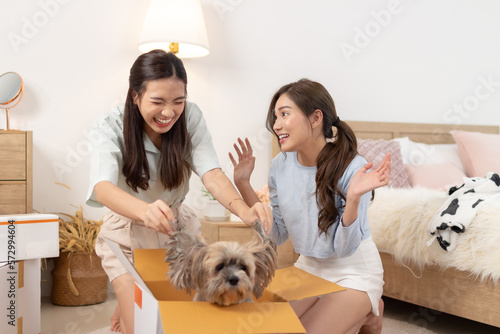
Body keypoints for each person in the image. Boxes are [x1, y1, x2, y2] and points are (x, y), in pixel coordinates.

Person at [86, 49, 272, 334]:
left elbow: (211, 173)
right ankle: (131, 298)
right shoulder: (109, 126)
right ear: (135, 96)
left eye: (178, 101)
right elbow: (103, 188)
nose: (169, 112)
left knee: (184, 321)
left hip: (178, 231)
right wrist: (144, 210)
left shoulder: (191, 117)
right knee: (142, 327)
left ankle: (132, 302)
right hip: (126, 232)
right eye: (157, 101)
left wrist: (243, 209)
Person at [229, 78, 390, 334]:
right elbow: (277, 235)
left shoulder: (352, 167)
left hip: (353, 270)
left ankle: (367, 307)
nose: (276, 125)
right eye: (275, 117)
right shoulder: (280, 167)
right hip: (309, 267)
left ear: (316, 118)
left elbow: (345, 248)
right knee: (261, 328)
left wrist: (354, 198)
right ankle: (367, 314)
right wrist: (243, 185)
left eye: (284, 114)